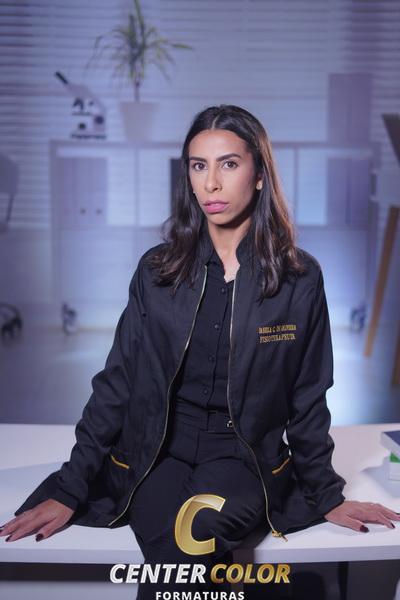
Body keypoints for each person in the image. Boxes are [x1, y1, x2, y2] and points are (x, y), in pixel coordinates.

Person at [1, 105, 399, 597]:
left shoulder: (299, 278)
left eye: (229, 164)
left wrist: (325, 494)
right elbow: (116, 384)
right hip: (156, 455)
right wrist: (70, 487)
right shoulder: (157, 271)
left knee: (192, 536)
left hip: (242, 457)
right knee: (173, 547)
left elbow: (308, 396)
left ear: (259, 175)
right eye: (198, 165)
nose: (211, 183)